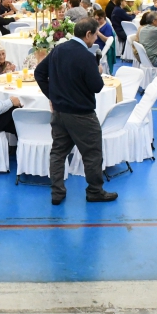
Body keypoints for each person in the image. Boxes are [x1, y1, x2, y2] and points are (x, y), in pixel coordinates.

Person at [34, 17, 116, 205]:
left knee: (58, 153)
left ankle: (57, 192)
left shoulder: (58, 49)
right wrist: (97, 71)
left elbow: (39, 73)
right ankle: (94, 191)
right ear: (88, 34)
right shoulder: (86, 57)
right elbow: (97, 87)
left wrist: (52, 96)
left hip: (59, 112)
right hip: (82, 115)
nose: (95, 39)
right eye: (95, 35)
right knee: (92, 153)